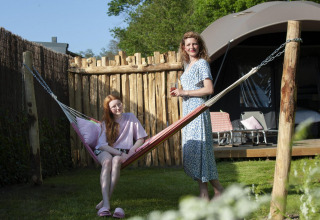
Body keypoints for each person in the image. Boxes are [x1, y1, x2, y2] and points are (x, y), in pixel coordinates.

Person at [171, 31, 224, 200]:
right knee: (195, 152)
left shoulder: (202, 64)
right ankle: (206, 194)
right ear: (183, 48)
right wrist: (181, 94)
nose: (191, 47)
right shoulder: (188, 65)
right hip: (189, 111)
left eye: (194, 44)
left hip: (198, 111)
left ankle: (217, 190)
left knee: (201, 151)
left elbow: (209, 89)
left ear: (199, 46)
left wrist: (184, 91)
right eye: (188, 45)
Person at [94, 94, 148, 217]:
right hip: (105, 149)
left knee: (117, 161)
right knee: (107, 162)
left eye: (119, 104)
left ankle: (104, 200)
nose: (118, 108)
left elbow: (141, 137)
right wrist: (119, 153)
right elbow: (102, 145)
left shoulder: (131, 117)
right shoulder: (105, 123)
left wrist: (133, 149)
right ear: (108, 109)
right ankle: (106, 204)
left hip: (122, 152)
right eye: (113, 106)